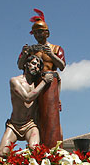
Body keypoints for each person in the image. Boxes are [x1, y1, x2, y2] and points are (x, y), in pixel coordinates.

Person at [16, 9, 65, 149]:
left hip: (50, 83)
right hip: (35, 83)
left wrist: (52, 55)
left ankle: (53, 149)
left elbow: (62, 66)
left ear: (47, 33)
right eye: (35, 32)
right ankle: (36, 147)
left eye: (40, 32)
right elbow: (20, 65)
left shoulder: (56, 48)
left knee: (52, 117)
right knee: (34, 116)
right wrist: (25, 54)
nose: (38, 35)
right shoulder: (31, 49)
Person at [0, 55, 55, 156]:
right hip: (14, 125)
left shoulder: (36, 83)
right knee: (2, 152)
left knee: (35, 150)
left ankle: (22, 156)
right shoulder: (15, 81)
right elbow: (27, 98)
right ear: (26, 64)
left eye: (38, 66)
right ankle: (20, 156)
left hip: (30, 125)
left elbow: (57, 78)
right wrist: (44, 82)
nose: (35, 67)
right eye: (33, 63)